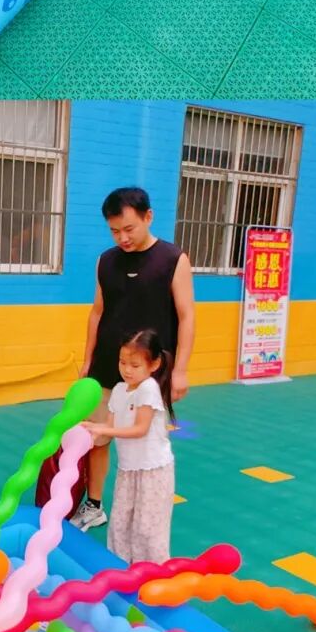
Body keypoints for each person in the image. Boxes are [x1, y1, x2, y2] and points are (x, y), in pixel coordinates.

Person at [72, 186, 194, 534]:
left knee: (144, 441)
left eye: (129, 229)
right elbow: (97, 312)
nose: (122, 238)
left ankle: (143, 511)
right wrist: (87, 361)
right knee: (98, 437)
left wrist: (181, 370)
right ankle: (94, 505)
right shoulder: (106, 261)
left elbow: (186, 316)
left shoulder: (173, 260)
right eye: (114, 231)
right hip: (107, 366)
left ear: (148, 217)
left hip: (149, 373)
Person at [82, 329, 175, 564]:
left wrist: (103, 431)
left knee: (148, 528)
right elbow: (110, 425)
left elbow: (140, 429)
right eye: (122, 362)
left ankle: (153, 571)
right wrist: (90, 430)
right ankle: (121, 568)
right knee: (120, 522)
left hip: (152, 471)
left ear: (154, 364)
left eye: (134, 365)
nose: (126, 370)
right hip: (128, 469)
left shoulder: (148, 388)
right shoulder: (119, 390)